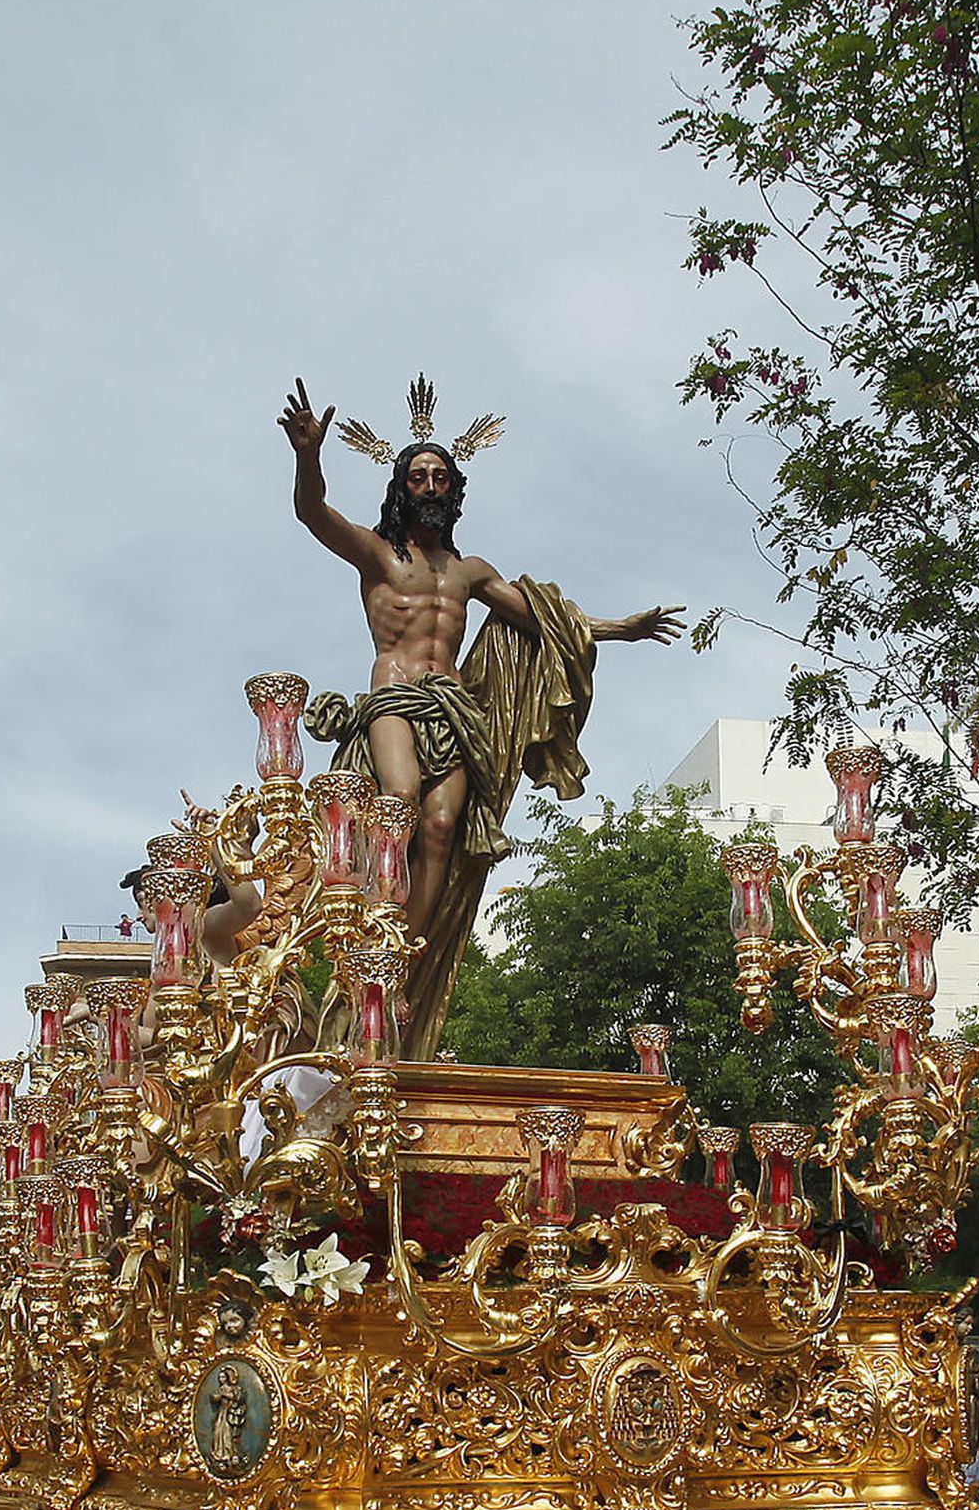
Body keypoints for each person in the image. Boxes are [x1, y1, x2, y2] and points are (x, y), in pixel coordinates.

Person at [280, 377, 682, 1054]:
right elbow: (312, 511)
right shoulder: (379, 555)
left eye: (440, 476)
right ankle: (377, 932)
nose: (431, 486)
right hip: (395, 699)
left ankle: (405, 957)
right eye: (419, 476)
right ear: (401, 488)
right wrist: (307, 456)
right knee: (401, 800)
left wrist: (623, 629)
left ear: (453, 488)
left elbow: (552, 623)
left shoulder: (469, 573)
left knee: (442, 830)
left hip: (455, 710)